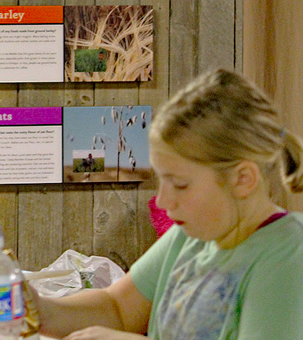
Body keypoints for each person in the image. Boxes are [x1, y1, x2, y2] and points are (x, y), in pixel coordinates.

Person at [32, 69, 303, 339]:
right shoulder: (191, 236)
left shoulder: (288, 256)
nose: (163, 200)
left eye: (180, 184)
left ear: (243, 179)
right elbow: (117, 309)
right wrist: (39, 309)